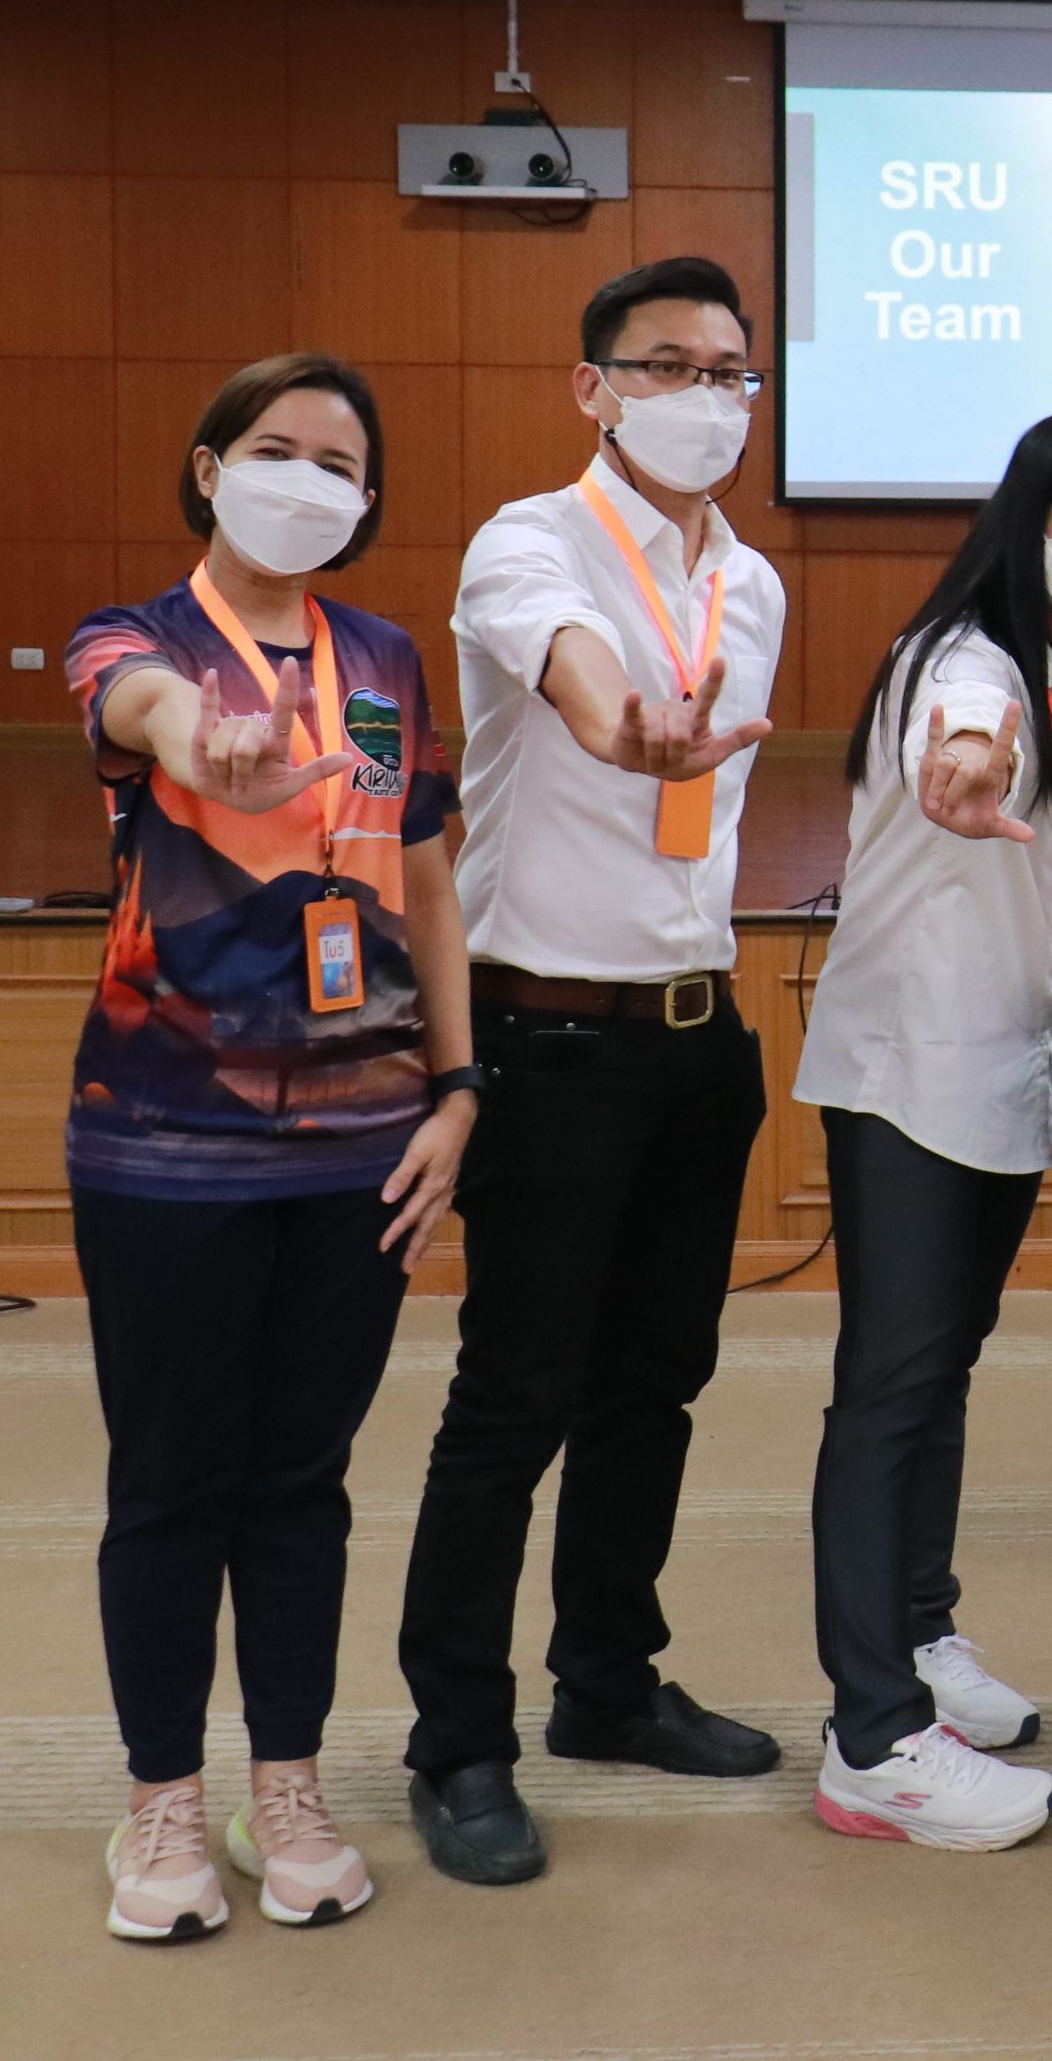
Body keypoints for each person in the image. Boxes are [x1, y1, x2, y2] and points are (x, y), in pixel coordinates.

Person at [63, 352, 467, 1942]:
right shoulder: (138, 640)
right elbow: (135, 709)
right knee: (174, 1482)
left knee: (303, 1483)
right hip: (165, 1136)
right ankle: (161, 1801)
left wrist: (458, 1087)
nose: (310, 481)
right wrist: (197, 736)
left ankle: (283, 1785)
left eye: (341, 464)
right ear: (210, 467)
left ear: (367, 501)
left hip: (363, 1138)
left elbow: (427, 880)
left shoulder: (386, 658)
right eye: (277, 449)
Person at [397, 255, 787, 1887]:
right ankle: (456, 1743)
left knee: (655, 1385)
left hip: (698, 1037)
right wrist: (623, 725)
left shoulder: (752, 582)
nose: (704, 397)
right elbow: (575, 668)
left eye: (729, 372)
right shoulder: (530, 540)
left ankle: (608, 1685)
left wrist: (664, 747)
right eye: (666, 365)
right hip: (547, 1039)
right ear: (595, 388)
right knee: (515, 1397)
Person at [788, 409, 1052, 1852]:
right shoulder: (967, 663)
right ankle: (871, 1735)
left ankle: (917, 1627)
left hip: (1004, 1068)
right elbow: (969, 735)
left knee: (941, 1366)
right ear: (1027, 524)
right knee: (891, 1384)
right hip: (910, 1069)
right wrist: (966, 756)